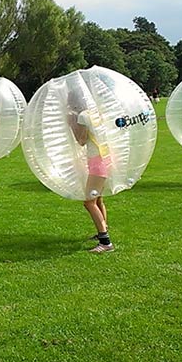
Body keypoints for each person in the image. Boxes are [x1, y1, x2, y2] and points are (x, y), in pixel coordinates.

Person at [67, 90, 114, 253]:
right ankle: (102, 230)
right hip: (106, 158)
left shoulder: (82, 116)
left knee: (89, 202)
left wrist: (72, 123)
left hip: (96, 161)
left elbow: (81, 140)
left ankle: (105, 241)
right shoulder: (96, 114)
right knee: (98, 199)